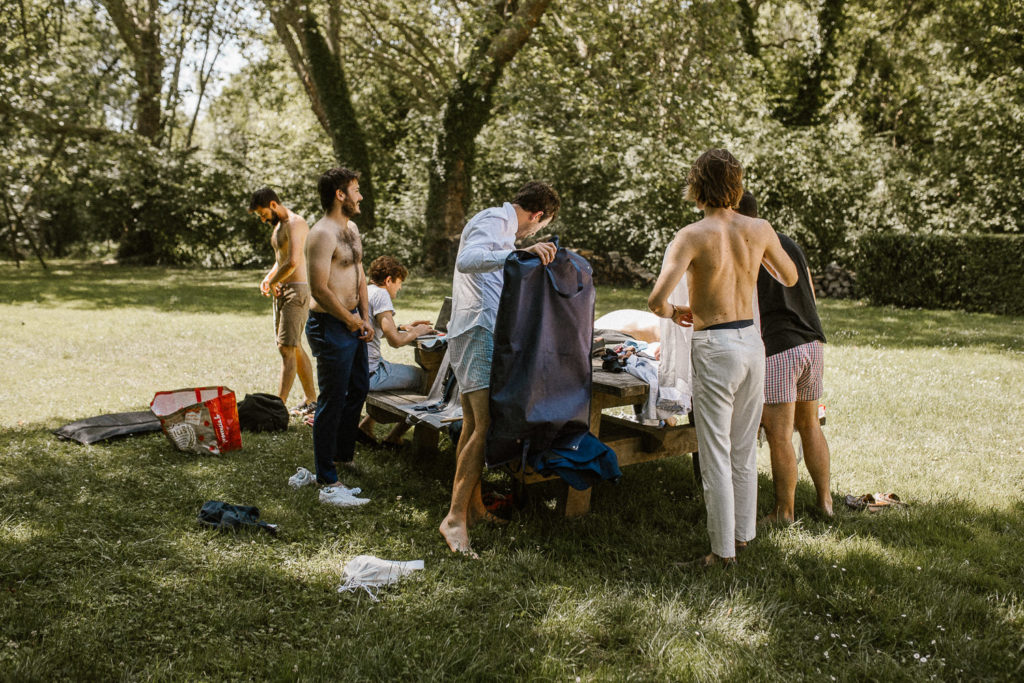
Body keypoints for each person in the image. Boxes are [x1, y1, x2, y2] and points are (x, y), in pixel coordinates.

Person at [648, 150, 797, 568]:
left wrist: (676, 313)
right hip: (752, 343)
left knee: (715, 452)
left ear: (697, 186)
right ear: (738, 184)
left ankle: (722, 552)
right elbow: (789, 276)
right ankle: (743, 537)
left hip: (714, 344)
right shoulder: (760, 228)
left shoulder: (691, 235)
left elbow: (657, 301)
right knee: (743, 447)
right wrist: (754, 258)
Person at [439, 181, 561, 555]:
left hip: (474, 328)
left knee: (474, 424)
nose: (534, 232)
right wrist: (518, 253)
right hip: (477, 330)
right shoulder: (496, 221)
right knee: (484, 424)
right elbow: (468, 260)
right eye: (539, 227)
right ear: (537, 216)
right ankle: (455, 519)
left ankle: (472, 507)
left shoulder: (500, 227)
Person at [737, 191, 832, 523]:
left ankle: (784, 511)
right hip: (812, 342)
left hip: (779, 347)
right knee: (810, 426)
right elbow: (809, 289)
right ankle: (825, 503)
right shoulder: (788, 243)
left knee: (779, 434)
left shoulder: (745, 244)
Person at [304, 167, 374, 504]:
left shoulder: (352, 229)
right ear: (339, 194)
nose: (360, 196)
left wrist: (364, 316)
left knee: (360, 386)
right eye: (356, 190)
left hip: (353, 322)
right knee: (332, 399)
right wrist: (347, 320)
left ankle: (341, 455)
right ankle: (326, 480)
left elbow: (359, 274)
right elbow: (318, 289)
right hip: (330, 325)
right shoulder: (321, 234)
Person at [249, 188, 318, 414]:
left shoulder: (295, 223)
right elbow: (281, 261)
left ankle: (278, 407)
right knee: (292, 346)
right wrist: (269, 278)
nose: (262, 219)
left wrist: (274, 282)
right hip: (283, 289)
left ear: (273, 204)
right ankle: (311, 400)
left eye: (263, 213)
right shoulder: (278, 227)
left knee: (287, 347)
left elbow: (294, 262)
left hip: (296, 291)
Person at [357, 255, 434, 447]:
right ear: (389, 280)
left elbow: (379, 330)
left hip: (360, 370)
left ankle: (367, 425)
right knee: (428, 380)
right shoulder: (381, 294)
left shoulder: (366, 291)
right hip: (372, 374)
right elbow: (395, 342)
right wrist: (418, 331)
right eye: (399, 282)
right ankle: (395, 437)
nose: (399, 287)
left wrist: (403, 327)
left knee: (415, 376)